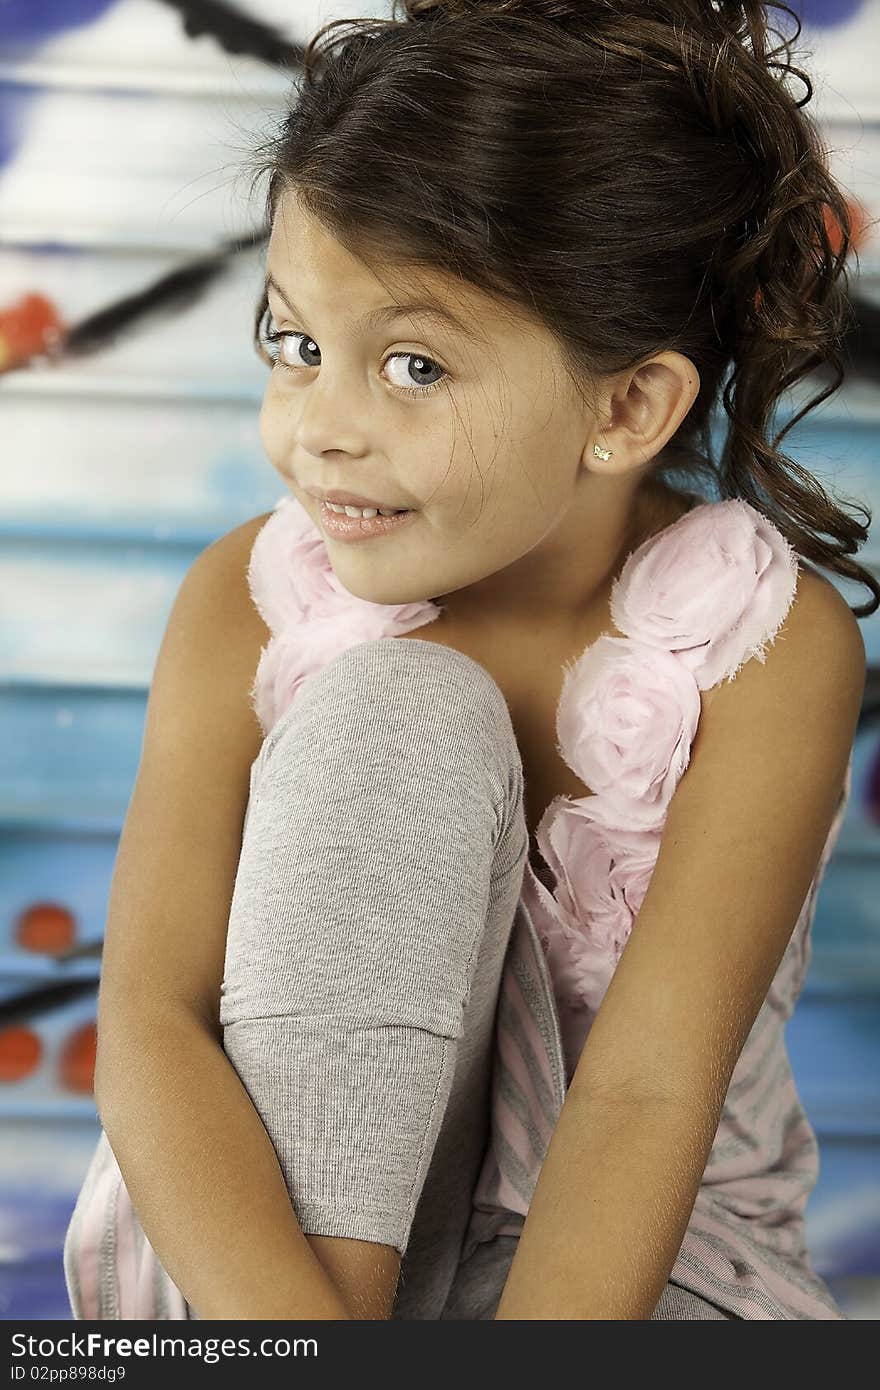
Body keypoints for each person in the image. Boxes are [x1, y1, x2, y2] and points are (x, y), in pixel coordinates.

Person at [64, 0, 874, 1320]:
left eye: (413, 364)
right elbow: (151, 1024)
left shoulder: (762, 650)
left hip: (631, 1264)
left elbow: (645, 1089)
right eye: (296, 344)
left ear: (625, 409)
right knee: (397, 706)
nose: (322, 428)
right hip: (254, 1258)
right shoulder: (252, 599)